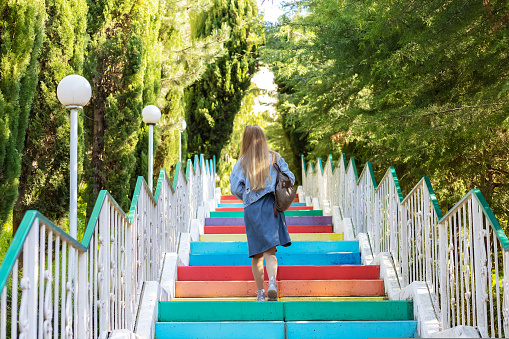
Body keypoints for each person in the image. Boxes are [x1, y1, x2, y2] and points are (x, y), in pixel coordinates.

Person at [229, 125, 295, 301]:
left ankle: (260, 293)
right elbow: (290, 178)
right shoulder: (275, 157)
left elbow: (235, 187)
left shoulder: (242, 162)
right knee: (270, 252)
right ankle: (272, 282)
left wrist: (248, 196)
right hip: (270, 206)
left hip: (252, 209)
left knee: (257, 254)